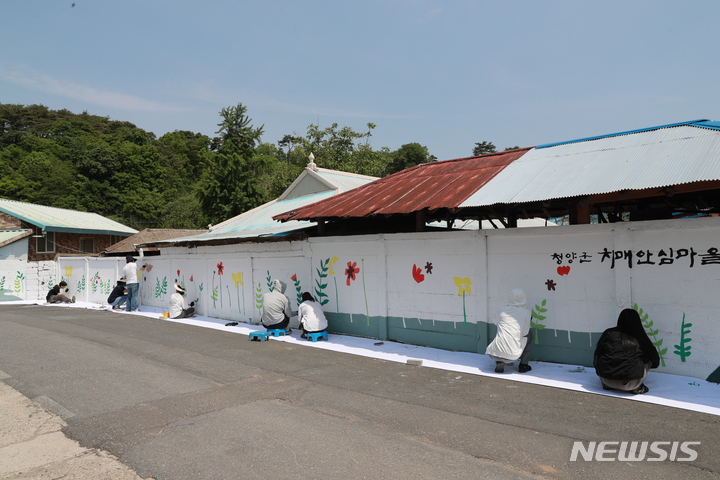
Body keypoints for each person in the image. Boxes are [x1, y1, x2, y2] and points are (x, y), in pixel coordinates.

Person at [593, 308, 660, 395]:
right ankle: (637, 388)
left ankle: (610, 385)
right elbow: (654, 359)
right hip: (631, 383)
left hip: (606, 380)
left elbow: (596, 355)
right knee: (648, 358)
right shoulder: (640, 337)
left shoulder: (608, 333)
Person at [485, 288, 533, 373]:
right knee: (530, 334)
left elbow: (495, 322)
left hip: (493, 353)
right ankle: (523, 365)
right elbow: (525, 333)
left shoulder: (500, 310)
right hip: (512, 356)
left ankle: (499, 361)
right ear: (523, 298)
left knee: (501, 332)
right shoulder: (526, 313)